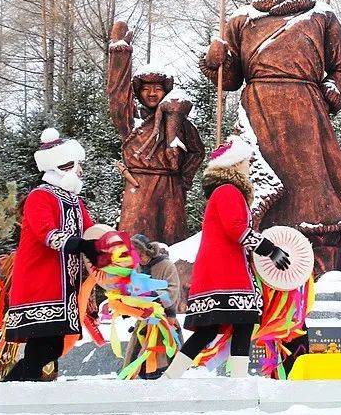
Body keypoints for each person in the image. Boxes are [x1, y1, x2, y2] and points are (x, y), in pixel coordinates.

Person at [200, 0, 341, 278]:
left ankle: (321, 249)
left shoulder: (320, 16)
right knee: (261, 178)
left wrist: (332, 90)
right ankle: (259, 240)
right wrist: (215, 60)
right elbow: (231, 79)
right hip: (258, 108)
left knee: (313, 181)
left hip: (305, 111)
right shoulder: (242, 19)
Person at [164, 136, 290, 379]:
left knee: (210, 330)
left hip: (220, 272)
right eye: (245, 162)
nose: (248, 166)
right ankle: (238, 379)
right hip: (226, 274)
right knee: (241, 323)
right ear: (234, 164)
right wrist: (269, 248)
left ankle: (171, 376)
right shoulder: (229, 191)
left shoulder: (223, 192)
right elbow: (236, 229)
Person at [3, 128, 103, 381]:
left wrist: (107, 247)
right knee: (43, 345)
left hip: (65, 286)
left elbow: (91, 232)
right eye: (73, 166)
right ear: (59, 167)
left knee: (54, 345)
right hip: (41, 281)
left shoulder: (74, 200)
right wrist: (81, 245)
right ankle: (15, 387)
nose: (79, 171)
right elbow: (46, 234)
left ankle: (18, 386)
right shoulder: (39, 196)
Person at [107, 21, 205, 245]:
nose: (151, 93)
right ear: (139, 91)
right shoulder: (132, 121)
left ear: (166, 91)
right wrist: (120, 55)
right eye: (146, 88)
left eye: (158, 88)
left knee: (171, 243)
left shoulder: (179, 122)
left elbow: (197, 152)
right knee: (134, 244)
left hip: (171, 189)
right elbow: (117, 98)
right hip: (139, 186)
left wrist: (183, 179)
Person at [122, 235, 182, 379]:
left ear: (149, 252)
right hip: (144, 320)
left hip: (164, 320)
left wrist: (153, 294)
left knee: (161, 358)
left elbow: (173, 289)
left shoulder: (166, 265)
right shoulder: (136, 268)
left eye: (141, 255)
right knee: (137, 359)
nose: (140, 260)